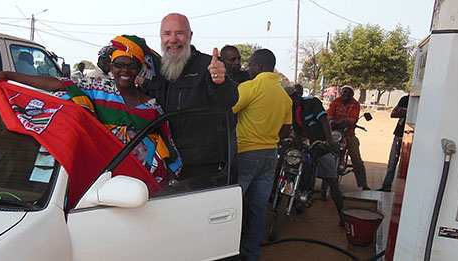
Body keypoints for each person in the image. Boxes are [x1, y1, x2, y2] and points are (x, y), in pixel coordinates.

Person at [0, 35, 181, 186]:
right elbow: (54, 84)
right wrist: (8, 75)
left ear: (139, 68)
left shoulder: (151, 105)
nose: (125, 70)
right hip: (104, 175)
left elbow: (166, 143)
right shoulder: (97, 88)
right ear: (111, 67)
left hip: (144, 180)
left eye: (132, 66)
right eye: (119, 65)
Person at [141, 13, 238, 179]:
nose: (173, 40)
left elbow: (229, 99)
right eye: (167, 34)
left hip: (200, 169)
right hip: (163, 164)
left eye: (179, 33)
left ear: (190, 36)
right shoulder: (155, 70)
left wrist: (220, 83)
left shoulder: (210, 66)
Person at [232, 49, 292, 261]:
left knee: (233, 206)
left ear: (258, 66)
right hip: (270, 155)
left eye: (249, 65)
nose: (247, 69)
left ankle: (229, 252)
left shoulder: (250, 87)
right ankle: (251, 255)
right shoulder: (284, 96)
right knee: (258, 209)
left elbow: (228, 110)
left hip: (246, 153)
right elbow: (285, 132)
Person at [287, 84, 345, 226]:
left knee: (332, 179)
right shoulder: (291, 110)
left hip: (321, 145)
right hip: (304, 146)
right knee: (293, 168)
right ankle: (298, 197)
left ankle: (343, 216)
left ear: (295, 96)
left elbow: (324, 120)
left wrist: (329, 140)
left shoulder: (312, 103)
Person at [327, 85, 369, 190]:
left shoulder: (355, 104)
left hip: (348, 133)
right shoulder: (335, 102)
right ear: (341, 93)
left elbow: (354, 117)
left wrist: (346, 121)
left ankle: (363, 184)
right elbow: (329, 113)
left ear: (352, 95)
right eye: (345, 92)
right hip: (335, 132)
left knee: (356, 159)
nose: (347, 95)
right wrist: (331, 121)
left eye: (349, 93)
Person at [378, 95, 409, 192]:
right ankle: (386, 186)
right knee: (392, 162)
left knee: (405, 165)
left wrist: (404, 112)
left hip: (409, 136)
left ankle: (403, 190)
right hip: (399, 134)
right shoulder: (405, 99)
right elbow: (393, 114)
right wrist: (405, 113)